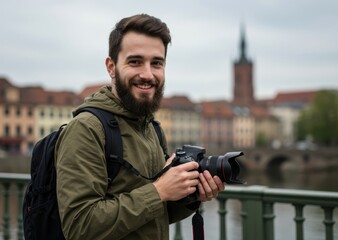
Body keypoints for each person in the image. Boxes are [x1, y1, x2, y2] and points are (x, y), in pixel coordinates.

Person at [55, 13, 225, 240]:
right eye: (135, 61)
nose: (148, 74)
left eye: (157, 63)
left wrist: (190, 197)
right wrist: (159, 191)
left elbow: (154, 215)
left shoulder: (151, 128)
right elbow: (79, 227)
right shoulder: (86, 129)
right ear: (111, 67)